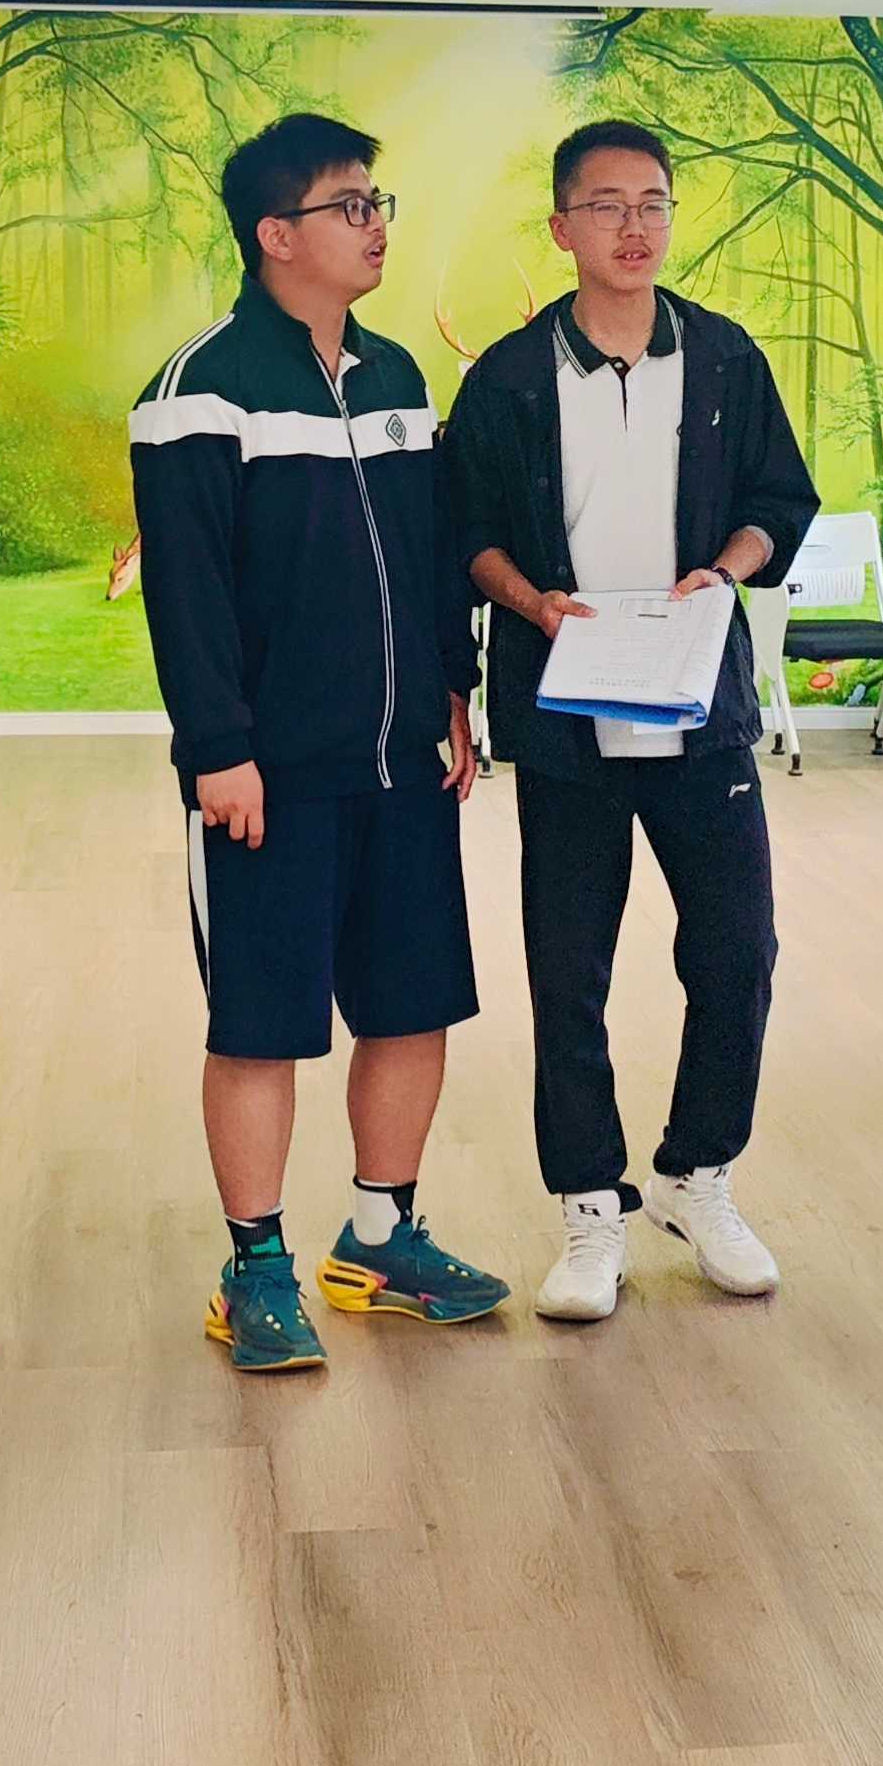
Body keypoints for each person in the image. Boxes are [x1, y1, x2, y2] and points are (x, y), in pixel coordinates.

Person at [130, 112, 508, 1374]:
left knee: (412, 1006)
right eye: (350, 206)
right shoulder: (197, 392)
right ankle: (255, 1268)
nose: (375, 224)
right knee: (260, 1025)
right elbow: (186, 592)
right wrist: (217, 747)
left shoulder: (399, 378)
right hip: (268, 777)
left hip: (403, 763)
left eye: (377, 202)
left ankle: (381, 1239)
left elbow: (430, 555)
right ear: (275, 235)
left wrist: (452, 688)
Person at [445, 117, 818, 1322]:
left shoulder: (722, 358)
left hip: (698, 710)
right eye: (606, 205)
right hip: (565, 718)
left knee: (737, 954)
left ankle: (697, 1175)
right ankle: (587, 1206)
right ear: (562, 227)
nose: (634, 226)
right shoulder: (508, 377)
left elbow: (778, 501)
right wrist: (532, 605)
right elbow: (468, 535)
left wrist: (723, 572)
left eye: (652, 201)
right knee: (569, 973)